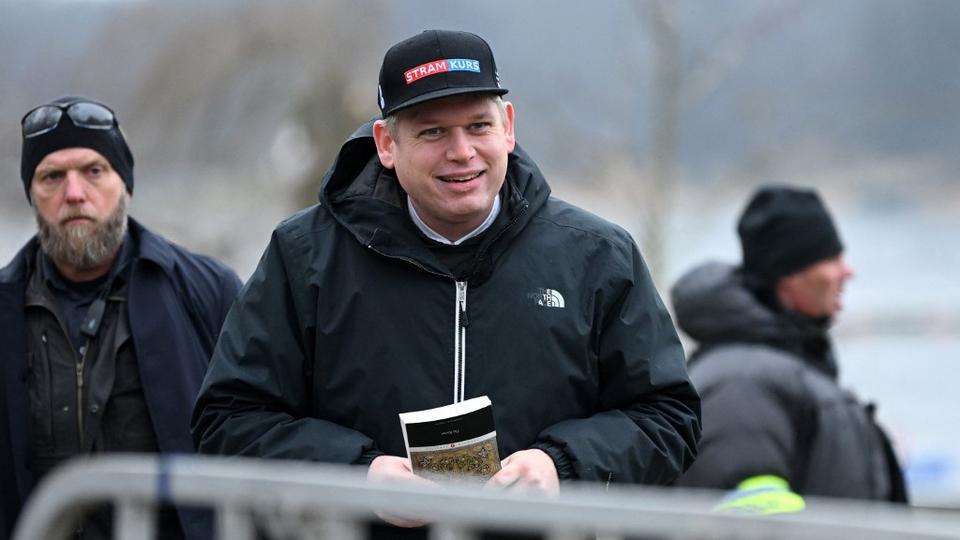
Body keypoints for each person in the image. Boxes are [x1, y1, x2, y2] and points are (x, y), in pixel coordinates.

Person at [192, 29, 700, 534]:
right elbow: (230, 418)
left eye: (479, 125)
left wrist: (561, 465)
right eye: (432, 132)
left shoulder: (597, 255)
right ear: (386, 144)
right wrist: (356, 475)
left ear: (509, 128)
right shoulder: (304, 256)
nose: (462, 152)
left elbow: (668, 416)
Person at [0, 96, 242, 539]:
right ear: (31, 194)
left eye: (94, 171)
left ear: (125, 183)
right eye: (52, 176)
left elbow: (257, 432)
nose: (74, 193)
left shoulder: (207, 293)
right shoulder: (5, 307)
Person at [671, 185, 907, 511]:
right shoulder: (742, 382)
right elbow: (747, 525)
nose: (847, 271)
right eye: (831, 258)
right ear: (789, 276)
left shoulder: (775, 368)